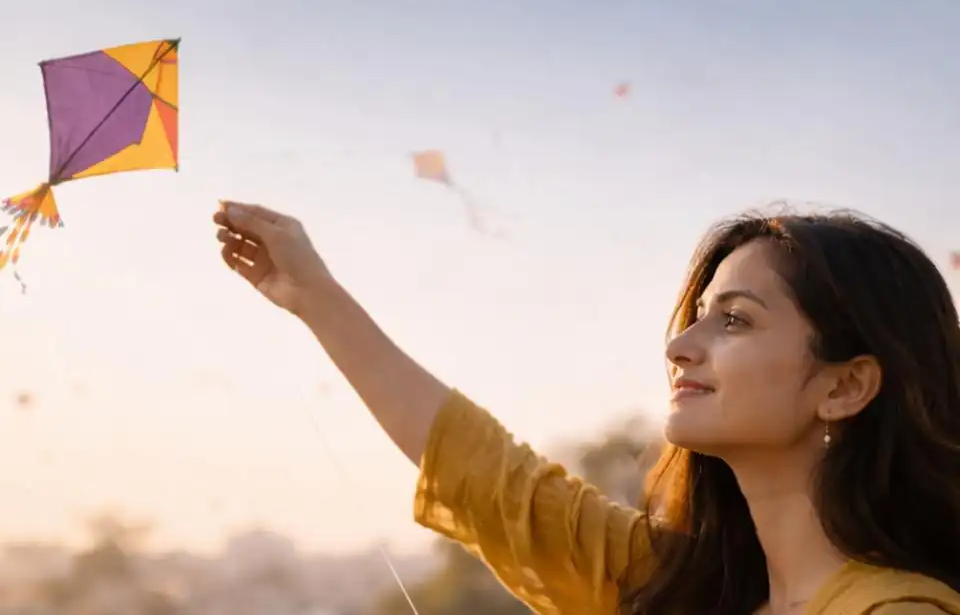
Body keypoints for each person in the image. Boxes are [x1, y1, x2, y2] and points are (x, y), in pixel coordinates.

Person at [212, 201, 960, 615]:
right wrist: (316, 299)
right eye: (696, 314)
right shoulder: (678, 587)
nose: (680, 346)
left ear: (846, 386)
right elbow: (492, 483)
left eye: (734, 319)